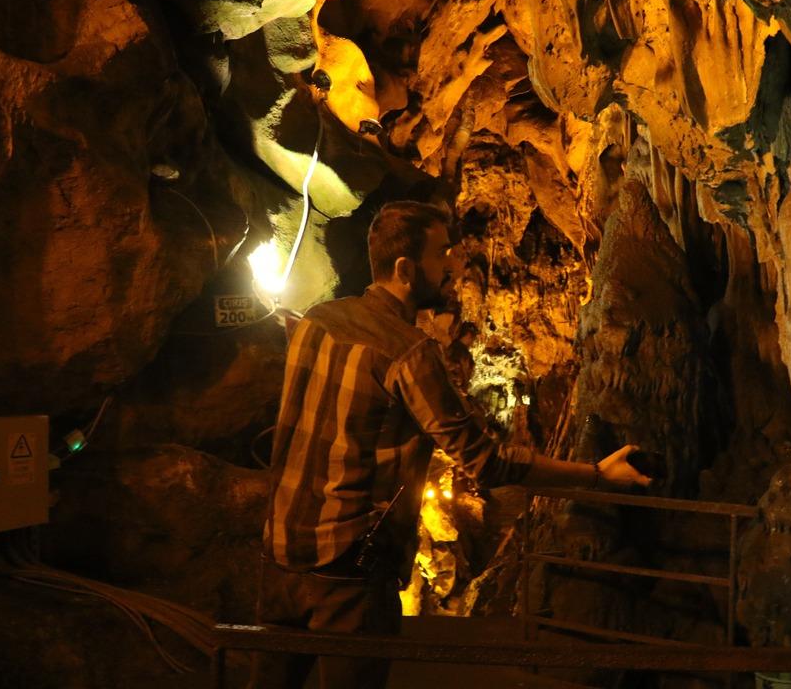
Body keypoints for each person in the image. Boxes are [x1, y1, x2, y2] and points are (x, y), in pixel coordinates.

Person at [252, 201, 650, 689]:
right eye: (442, 255)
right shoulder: (408, 354)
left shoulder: (314, 321)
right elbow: (488, 462)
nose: (453, 268)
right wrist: (593, 475)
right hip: (348, 571)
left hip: (280, 551)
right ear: (404, 268)